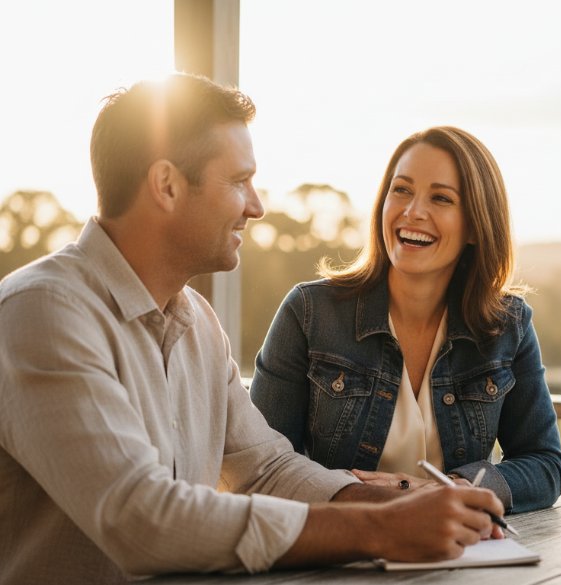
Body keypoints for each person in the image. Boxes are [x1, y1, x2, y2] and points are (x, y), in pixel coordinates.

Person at [0, 74, 506, 585]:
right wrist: (378, 528)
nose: (256, 205)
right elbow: (141, 518)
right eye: (239, 180)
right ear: (167, 185)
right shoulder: (43, 312)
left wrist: (407, 501)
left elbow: (265, 470)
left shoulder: (197, 322)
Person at [249, 126, 561, 514]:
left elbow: (544, 464)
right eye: (401, 190)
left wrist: (451, 489)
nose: (413, 211)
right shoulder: (309, 312)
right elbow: (263, 466)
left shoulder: (507, 325)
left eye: (441, 198)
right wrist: (375, 497)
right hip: (337, 545)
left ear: (475, 225)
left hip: (453, 551)